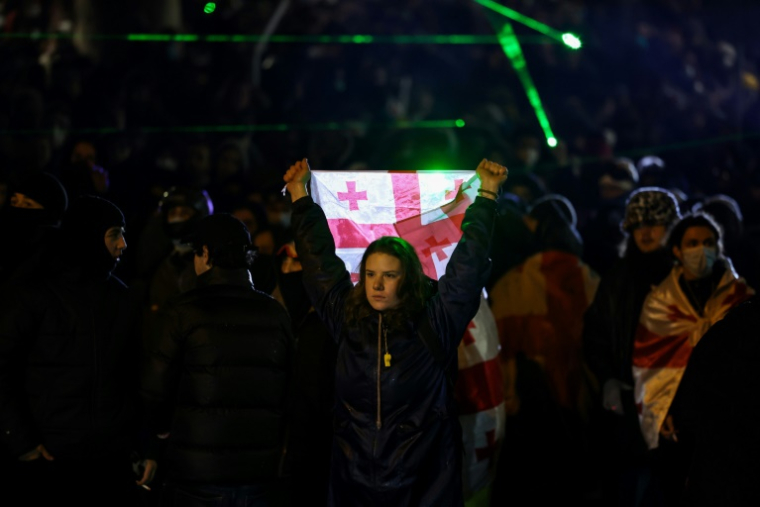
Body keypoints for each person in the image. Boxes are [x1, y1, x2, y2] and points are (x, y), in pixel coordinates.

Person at [283, 157, 506, 506]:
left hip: (425, 482)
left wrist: (488, 197)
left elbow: (467, 268)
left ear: (409, 278)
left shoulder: (436, 322)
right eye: (370, 274)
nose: (377, 284)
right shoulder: (347, 320)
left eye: (389, 275)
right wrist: (299, 196)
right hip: (353, 480)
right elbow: (319, 265)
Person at [0, 195, 156, 506]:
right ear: (89, 234)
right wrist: (21, 442)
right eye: (114, 234)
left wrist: (144, 445)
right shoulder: (36, 293)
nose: (123, 244)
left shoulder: (120, 298)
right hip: (50, 458)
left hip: (108, 459)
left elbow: (136, 376)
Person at [140, 213, 294, 506]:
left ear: (206, 254)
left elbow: (154, 388)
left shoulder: (183, 312)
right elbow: (290, 390)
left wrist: (160, 432)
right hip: (259, 475)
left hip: (196, 474)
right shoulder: (274, 312)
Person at [633, 211, 754, 504]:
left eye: (708, 241)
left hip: (729, 424)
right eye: (692, 243)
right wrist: (661, 412)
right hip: (676, 423)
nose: (701, 249)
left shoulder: (741, 297)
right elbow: (649, 366)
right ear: (677, 250)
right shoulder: (660, 301)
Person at [582, 187, 682, 506]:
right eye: (638, 225)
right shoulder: (618, 277)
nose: (645, 232)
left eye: (653, 223)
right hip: (626, 406)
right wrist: (608, 378)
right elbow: (596, 331)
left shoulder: (685, 276)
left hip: (675, 406)